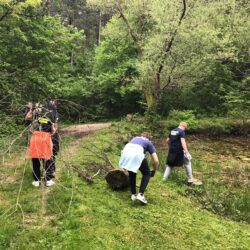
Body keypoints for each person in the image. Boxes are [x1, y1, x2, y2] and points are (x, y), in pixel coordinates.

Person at [119, 132, 160, 204]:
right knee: (147, 173)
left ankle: (133, 194)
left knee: (132, 172)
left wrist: (125, 169)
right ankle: (141, 194)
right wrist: (154, 170)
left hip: (126, 151)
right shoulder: (148, 142)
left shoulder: (135, 138)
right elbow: (156, 160)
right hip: (137, 152)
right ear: (149, 138)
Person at [29, 110, 56, 187]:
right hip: (45, 140)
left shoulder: (35, 120)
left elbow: (30, 131)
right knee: (47, 160)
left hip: (35, 140)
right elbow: (53, 131)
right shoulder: (49, 120)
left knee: (35, 161)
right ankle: (48, 180)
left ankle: (36, 181)